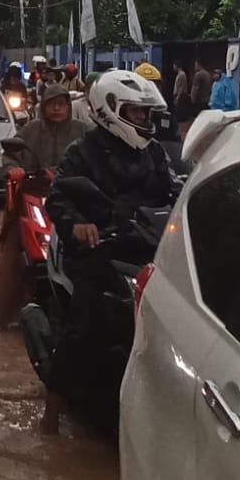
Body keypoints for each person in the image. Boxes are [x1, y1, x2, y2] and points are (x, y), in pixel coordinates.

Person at [40, 70, 175, 434]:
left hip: (146, 250)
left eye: (145, 114)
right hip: (97, 251)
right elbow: (58, 198)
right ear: (110, 110)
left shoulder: (154, 153)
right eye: (136, 113)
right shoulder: (83, 153)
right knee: (83, 327)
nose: (143, 120)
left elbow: (173, 192)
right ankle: (50, 418)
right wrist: (79, 225)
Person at [0, 83, 92, 326]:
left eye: (62, 104)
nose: (57, 109)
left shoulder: (84, 132)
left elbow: (99, 157)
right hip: (33, 199)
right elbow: (9, 154)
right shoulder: (31, 131)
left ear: (69, 106)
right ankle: (3, 312)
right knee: (13, 245)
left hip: (74, 203)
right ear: (43, 106)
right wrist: (13, 169)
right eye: (52, 104)